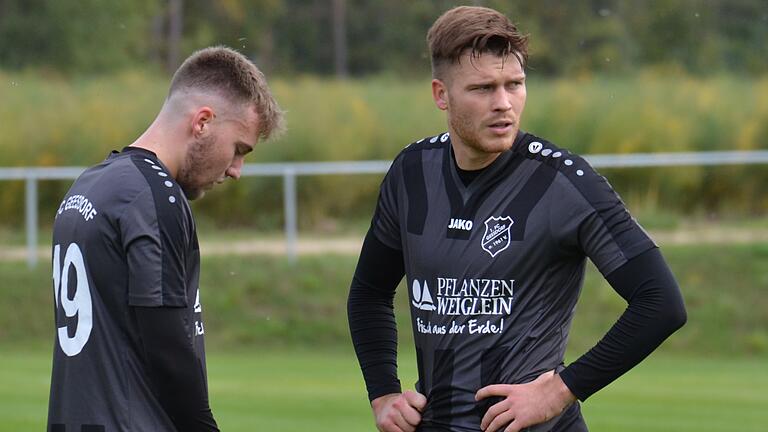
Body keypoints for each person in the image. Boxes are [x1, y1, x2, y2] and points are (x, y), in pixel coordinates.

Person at [347, 6, 686, 432]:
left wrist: (560, 389)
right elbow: (369, 292)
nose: (504, 103)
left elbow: (661, 303)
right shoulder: (411, 173)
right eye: (483, 88)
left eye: (515, 84)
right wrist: (383, 394)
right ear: (440, 94)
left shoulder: (563, 183)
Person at [47, 46, 283, 431]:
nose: (237, 170)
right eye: (239, 150)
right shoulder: (155, 196)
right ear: (203, 122)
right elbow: (168, 347)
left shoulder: (88, 185)